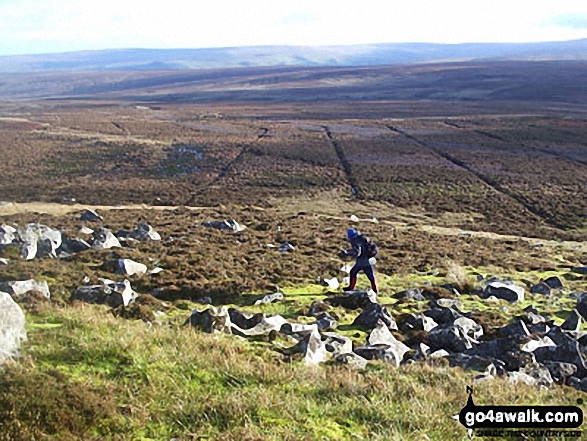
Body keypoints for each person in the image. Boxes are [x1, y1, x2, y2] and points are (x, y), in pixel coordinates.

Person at [339, 228, 378, 293]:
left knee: (353, 272)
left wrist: (347, 253)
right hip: (367, 259)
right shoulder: (363, 239)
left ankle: (351, 287)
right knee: (370, 276)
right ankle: (375, 290)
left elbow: (356, 251)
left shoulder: (355, 241)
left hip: (361, 260)